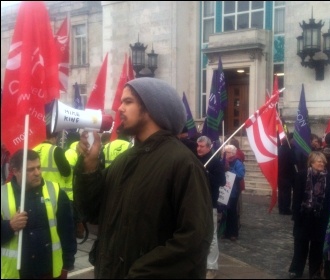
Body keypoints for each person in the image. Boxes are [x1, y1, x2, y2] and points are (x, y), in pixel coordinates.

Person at [73, 77, 213, 278]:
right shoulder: (124, 161)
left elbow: (195, 239)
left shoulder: (183, 163)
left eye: (128, 102)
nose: (119, 108)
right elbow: (91, 211)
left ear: (151, 108)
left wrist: (140, 273)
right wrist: (89, 166)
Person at [1, 149, 76, 279]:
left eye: (38, 167)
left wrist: (67, 264)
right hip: (15, 273)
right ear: (15, 171)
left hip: (48, 271)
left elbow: (67, 231)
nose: (37, 173)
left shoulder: (56, 192)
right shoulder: (2, 195)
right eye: (30, 169)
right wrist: (10, 226)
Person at [289, 151, 330, 279]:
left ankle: (314, 271)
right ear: (312, 162)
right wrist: (296, 215)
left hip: (321, 217)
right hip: (304, 216)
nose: (322, 163)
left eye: (323, 161)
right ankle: (296, 270)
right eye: (319, 161)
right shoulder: (302, 175)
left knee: (317, 246)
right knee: (300, 246)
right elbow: (297, 197)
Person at [196, 135, 226, 279]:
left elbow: (222, 181)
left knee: (211, 235)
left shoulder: (215, 162)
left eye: (202, 146)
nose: (199, 149)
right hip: (196, 202)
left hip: (210, 203)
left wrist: (206, 173)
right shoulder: (195, 160)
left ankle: (212, 267)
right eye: (198, 146)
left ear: (209, 147)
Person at [222, 144, 245, 242]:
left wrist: (229, 170)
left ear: (232, 153)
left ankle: (233, 233)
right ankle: (225, 232)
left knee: (232, 212)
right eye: (224, 152)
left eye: (226, 152)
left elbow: (240, 175)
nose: (224, 154)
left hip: (233, 191)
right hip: (224, 190)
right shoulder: (222, 161)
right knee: (224, 212)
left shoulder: (237, 162)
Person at [278, 137, 297, 215]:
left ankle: (281, 208)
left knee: (281, 192)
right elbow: (294, 161)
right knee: (286, 193)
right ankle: (286, 209)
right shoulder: (289, 151)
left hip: (279, 174)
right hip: (287, 174)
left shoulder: (279, 149)